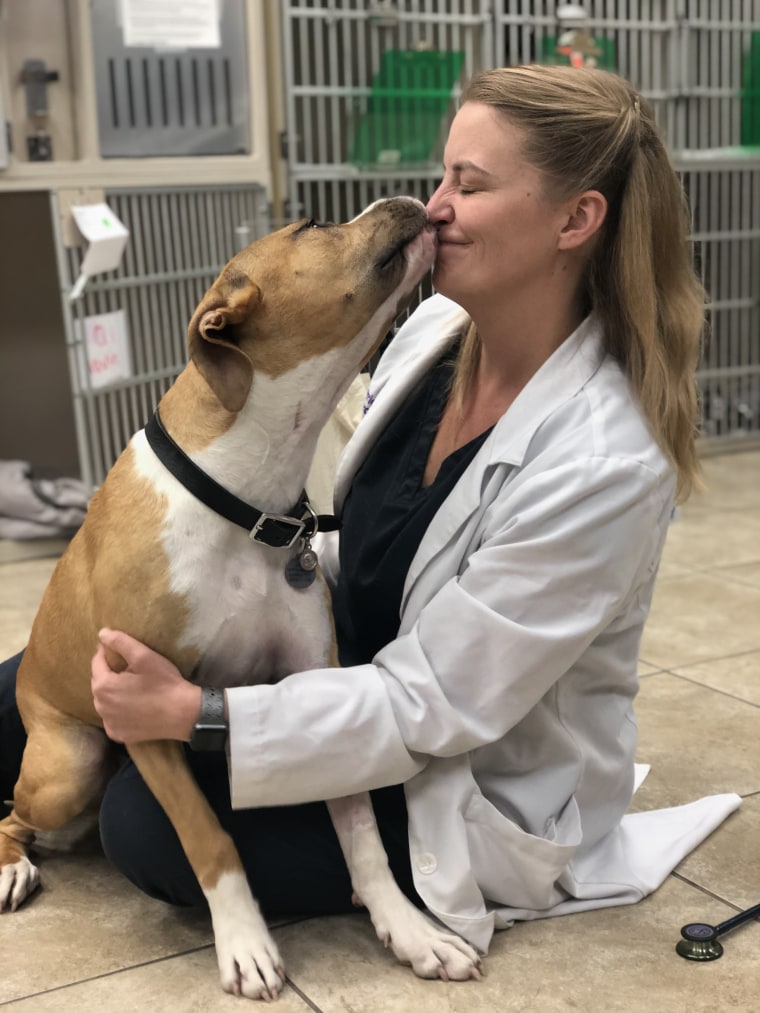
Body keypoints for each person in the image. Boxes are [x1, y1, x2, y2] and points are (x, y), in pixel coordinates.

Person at [0, 65, 735, 954]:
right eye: (443, 175)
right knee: (22, 685)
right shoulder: (429, 334)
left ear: (575, 221)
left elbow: (433, 705)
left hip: (456, 770)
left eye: (471, 183)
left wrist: (200, 712)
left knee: (140, 825)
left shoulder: (604, 458)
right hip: (355, 650)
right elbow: (364, 540)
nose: (436, 205)